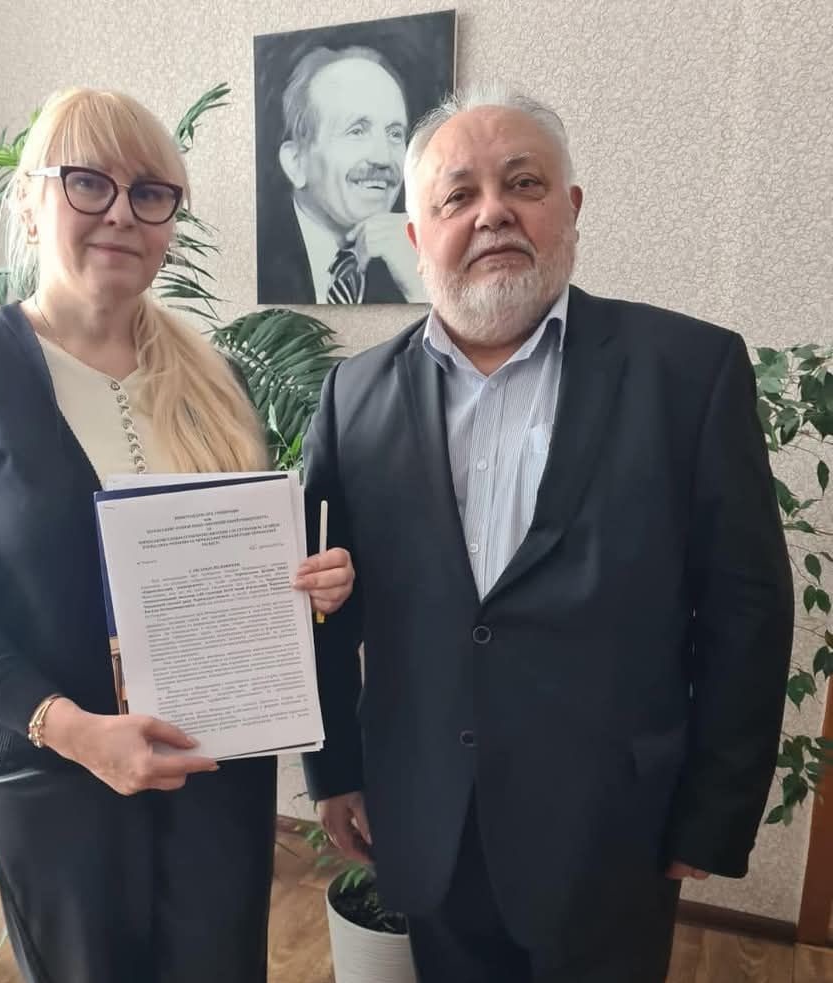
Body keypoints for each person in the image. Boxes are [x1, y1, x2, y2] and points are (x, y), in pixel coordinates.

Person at [302, 82, 793, 983]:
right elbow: (323, 602)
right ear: (416, 236)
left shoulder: (689, 372)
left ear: (570, 209)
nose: (492, 212)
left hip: (616, 830)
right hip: (430, 820)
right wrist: (333, 768)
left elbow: (746, 610)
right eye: (457, 195)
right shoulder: (353, 396)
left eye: (522, 184)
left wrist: (715, 812)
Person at [0, 86, 354, 983]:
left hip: (215, 772)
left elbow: (245, 574)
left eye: (150, 193)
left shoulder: (215, 379)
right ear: (30, 202)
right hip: (58, 781)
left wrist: (311, 587)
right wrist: (75, 731)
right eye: (89, 183)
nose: (122, 214)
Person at [257, 45, 426, 305]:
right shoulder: (256, 259)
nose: (383, 158)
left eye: (394, 134)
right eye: (356, 131)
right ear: (296, 162)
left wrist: (419, 290)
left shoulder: (417, 258)